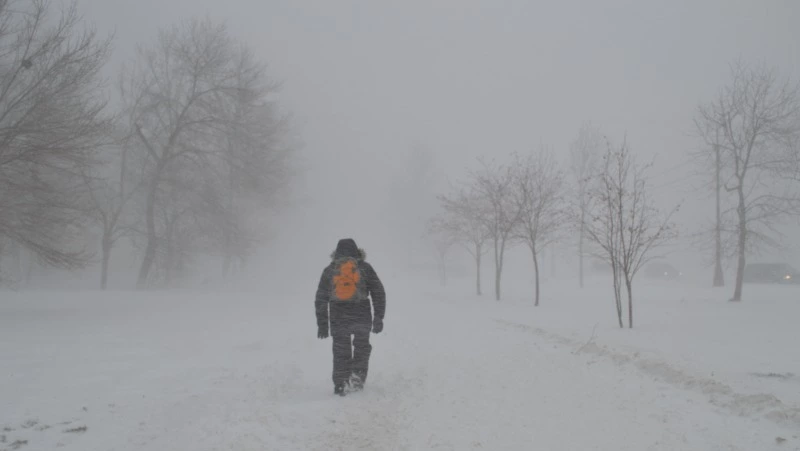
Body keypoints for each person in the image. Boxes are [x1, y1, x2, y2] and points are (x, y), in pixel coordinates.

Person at [315, 238, 386, 396]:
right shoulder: (365, 268)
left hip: (338, 317)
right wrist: (378, 317)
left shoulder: (330, 270)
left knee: (341, 351)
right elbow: (378, 293)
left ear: (336, 252)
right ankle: (357, 382)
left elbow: (320, 299)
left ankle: (340, 385)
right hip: (361, 315)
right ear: (357, 251)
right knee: (362, 349)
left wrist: (322, 324)